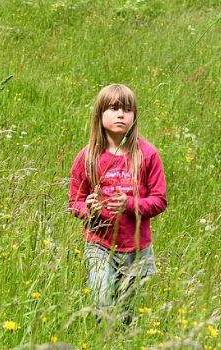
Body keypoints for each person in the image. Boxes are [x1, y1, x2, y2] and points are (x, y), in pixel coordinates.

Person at [68, 84, 167, 323]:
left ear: (134, 116)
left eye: (127, 109)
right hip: (99, 245)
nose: (121, 114)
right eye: (113, 108)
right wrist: (87, 209)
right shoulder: (87, 156)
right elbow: (74, 202)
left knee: (128, 315)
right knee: (101, 302)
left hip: (137, 248)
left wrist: (130, 205)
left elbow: (159, 200)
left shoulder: (147, 154)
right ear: (99, 115)